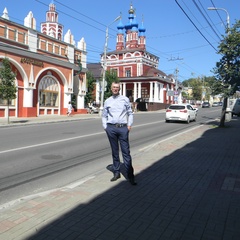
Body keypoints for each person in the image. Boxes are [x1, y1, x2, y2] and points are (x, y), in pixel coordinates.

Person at [102, 82, 136, 185]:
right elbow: (104, 115)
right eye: (114, 87)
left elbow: (130, 113)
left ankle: (130, 175)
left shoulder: (124, 99)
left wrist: (129, 125)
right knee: (115, 151)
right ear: (111, 88)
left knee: (126, 152)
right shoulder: (107, 101)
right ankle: (116, 173)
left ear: (119, 89)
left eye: (117, 87)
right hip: (111, 128)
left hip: (123, 128)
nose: (115, 89)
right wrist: (105, 127)